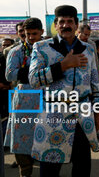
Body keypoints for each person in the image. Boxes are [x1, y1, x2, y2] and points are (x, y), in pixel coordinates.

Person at [29, 5, 99, 177]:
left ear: (76, 25)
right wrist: (63, 65)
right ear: (56, 24)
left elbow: (95, 86)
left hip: (83, 116)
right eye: (61, 22)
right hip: (53, 116)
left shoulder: (88, 49)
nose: (65, 25)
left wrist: (97, 113)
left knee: (82, 167)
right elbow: (33, 80)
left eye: (70, 21)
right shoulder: (41, 47)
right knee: (49, 169)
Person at [4, 17, 44, 177]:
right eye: (28, 34)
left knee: (44, 137)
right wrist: (37, 74)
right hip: (23, 101)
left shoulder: (50, 49)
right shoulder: (16, 51)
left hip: (46, 99)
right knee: (20, 138)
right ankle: (25, 172)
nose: (31, 37)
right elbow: (9, 74)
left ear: (42, 32)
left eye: (35, 33)